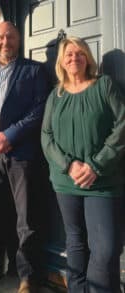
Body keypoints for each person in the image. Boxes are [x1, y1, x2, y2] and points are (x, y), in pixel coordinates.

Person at [0, 21, 50, 293]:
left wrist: (9, 136)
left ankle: (29, 277)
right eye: (1, 37)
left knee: (27, 218)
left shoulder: (34, 70)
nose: (6, 41)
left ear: (18, 40)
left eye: (11, 37)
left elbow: (40, 109)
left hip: (22, 153)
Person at [41, 36, 125, 293]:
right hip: (66, 182)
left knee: (106, 248)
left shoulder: (104, 85)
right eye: (68, 55)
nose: (74, 58)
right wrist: (69, 166)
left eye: (79, 53)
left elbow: (122, 126)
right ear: (62, 62)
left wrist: (96, 166)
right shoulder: (56, 95)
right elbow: (46, 136)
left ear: (87, 57)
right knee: (75, 242)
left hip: (103, 181)